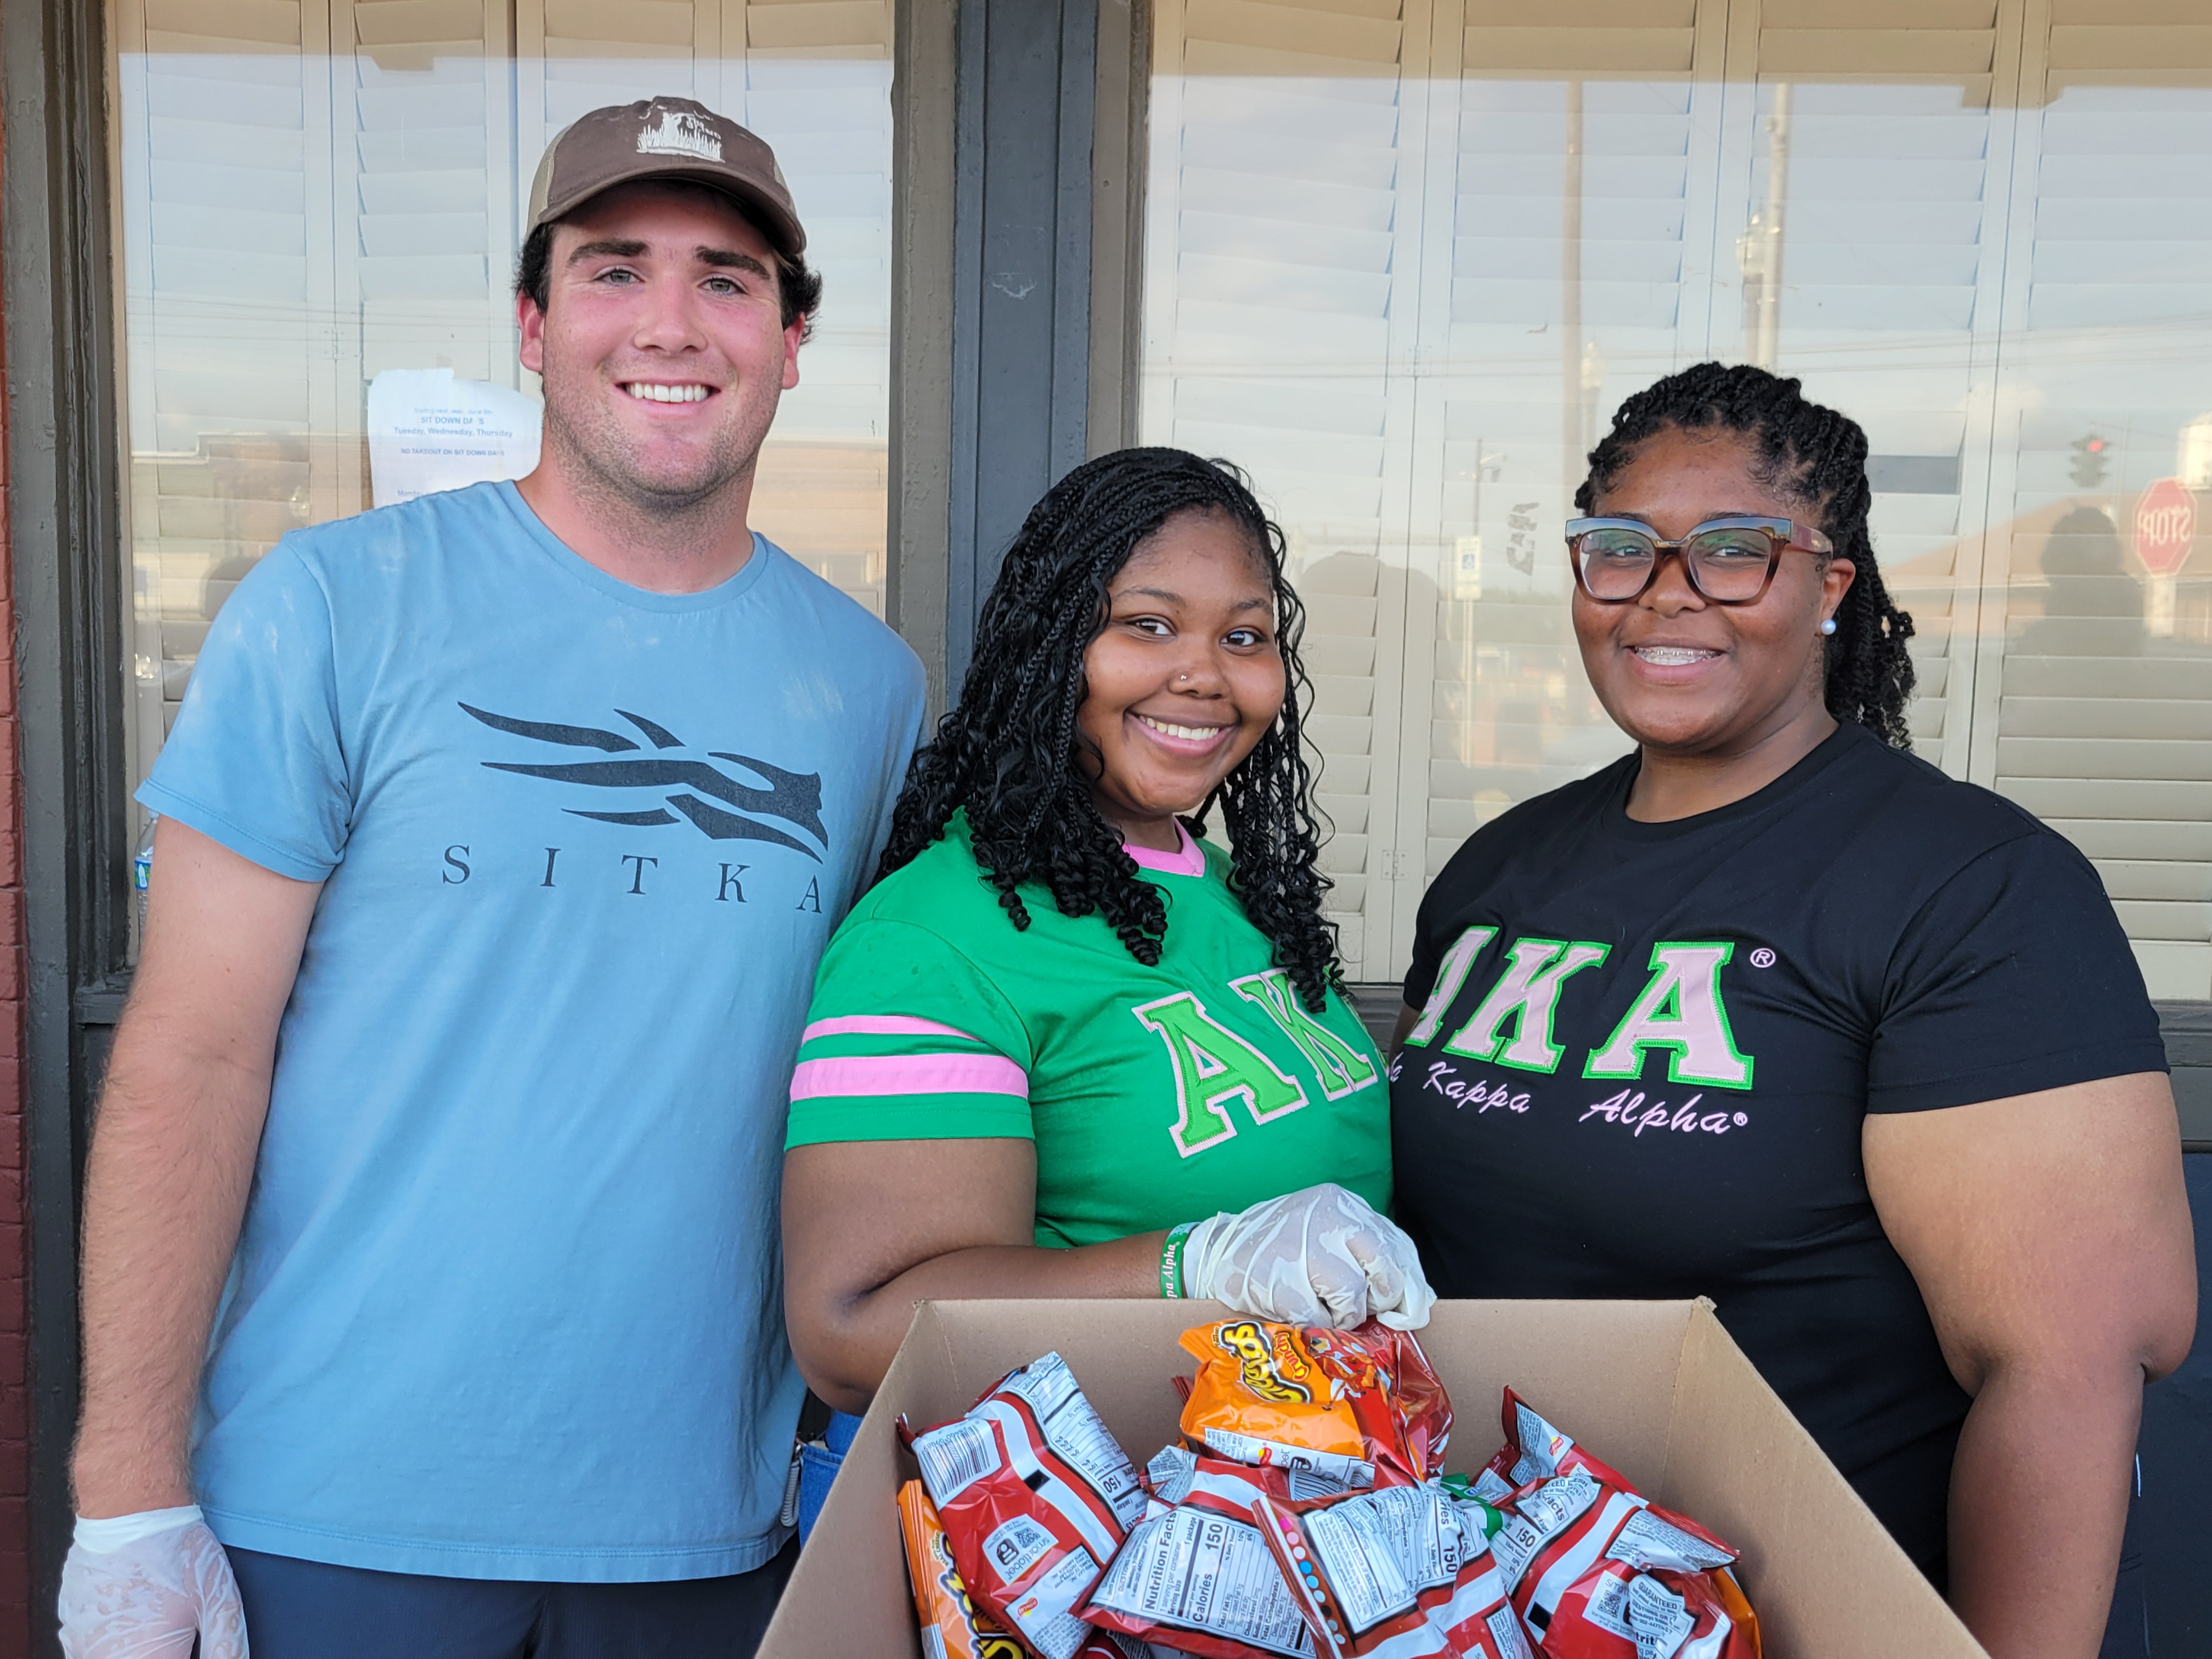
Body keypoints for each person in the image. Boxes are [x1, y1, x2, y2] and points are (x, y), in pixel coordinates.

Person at [59, 97, 924, 1659]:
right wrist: (127, 1493)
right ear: (533, 326)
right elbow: (193, 1052)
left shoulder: (867, 687)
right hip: (332, 1509)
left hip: (706, 1529)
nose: (671, 323)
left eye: (728, 280)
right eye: (615, 269)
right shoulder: (337, 604)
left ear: (794, 342)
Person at [1389, 363, 2196, 1659]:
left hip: (1800, 1618)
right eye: (1622, 549)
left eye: (1733, 551)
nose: (1667, 592)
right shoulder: (1500, 871)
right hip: (1478, 1603)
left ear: (1829, 588)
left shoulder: (1970, 887)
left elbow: (2068, 1371)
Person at [782, 448, 1431, 1415]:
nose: (1204, 675)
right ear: (1049, 648)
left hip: (1308, 1465)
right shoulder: (934, 941)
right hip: (1106, 1491)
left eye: (1244, 637)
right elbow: (852, 1333)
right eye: (1148, 626)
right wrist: (1193, 1264)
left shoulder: (1236, 894)